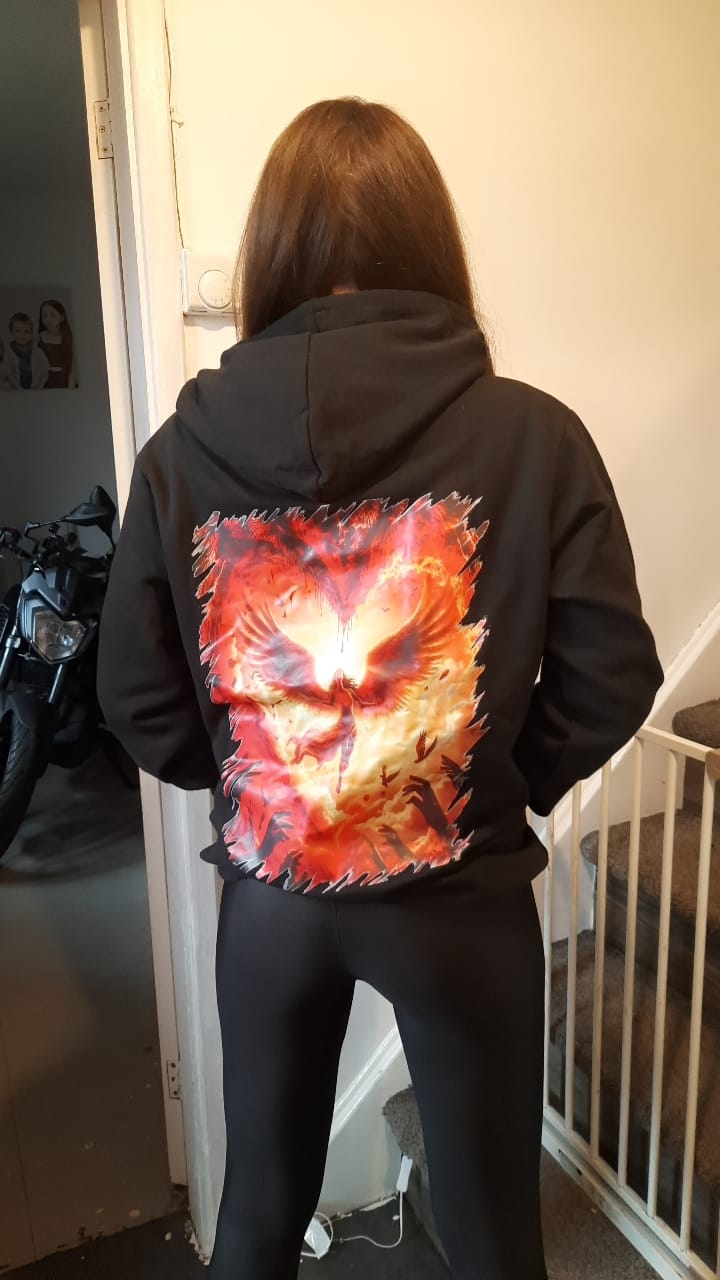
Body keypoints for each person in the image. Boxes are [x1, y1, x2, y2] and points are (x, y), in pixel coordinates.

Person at [96, 98, 664, 1280]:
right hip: (461, 898)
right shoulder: (535, 436)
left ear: (269, 255)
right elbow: (614, 674)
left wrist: (262, 784)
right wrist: (491, 780)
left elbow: (137, 699)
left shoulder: (177, 454)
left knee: (257, 1216)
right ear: (430, 246)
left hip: (271, 901)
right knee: (496, 1237)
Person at [3, 313, 49, 389]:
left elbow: (45, 372)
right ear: (11, 332)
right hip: (15, 389)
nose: (22, 335)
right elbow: (9, 374)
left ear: (31, 333)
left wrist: (39, 386)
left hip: (35, 390)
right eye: (18, 331)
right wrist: (19, 389)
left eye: (26, 331)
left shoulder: (38, 352)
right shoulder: (8, 353)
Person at [37, 298, 75, 388]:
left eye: (52, 315)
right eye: (44, 316)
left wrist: (71, 385)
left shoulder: (68, 338)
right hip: (43, 380)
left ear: (62, 317)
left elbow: (73, 366)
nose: (48, 319)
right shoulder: (38, 337)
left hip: (63, 380)